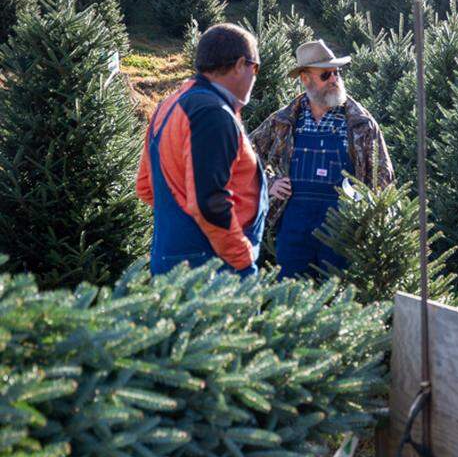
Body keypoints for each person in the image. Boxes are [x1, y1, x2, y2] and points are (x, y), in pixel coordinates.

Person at [249, 39, 394, 279]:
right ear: (305, 79)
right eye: (325, 75)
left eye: (336, 73)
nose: (335, 79)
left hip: (343, 227)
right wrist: (269, 181)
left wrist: (369, 218)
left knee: (337, 297)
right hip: (294, 225)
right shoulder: (284, 120)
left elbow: (383, 174)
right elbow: (246, 150)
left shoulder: (360, 123)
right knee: (290, 294)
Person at [136, 23, 268, 277]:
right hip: (212, 266)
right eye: (256, 67)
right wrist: (240, 256)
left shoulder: (169, 105)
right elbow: (208, 202)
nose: (255, 76)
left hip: (170, 258)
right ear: (241, 64)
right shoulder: (212, 114)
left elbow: (145, 186)